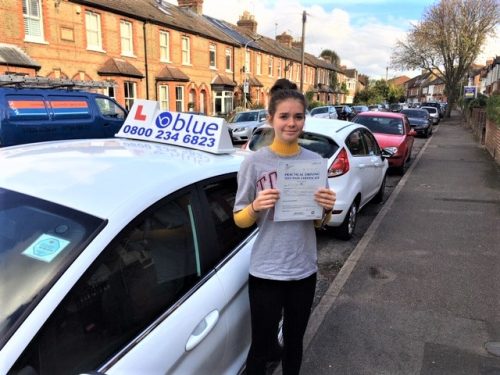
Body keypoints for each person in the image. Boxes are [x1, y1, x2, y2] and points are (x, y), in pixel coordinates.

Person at [233, 79, 336, 375]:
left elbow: (317, 221)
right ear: (271, 119)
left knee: (293, 344)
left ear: (305, 119)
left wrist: (326, 209)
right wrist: (255, 206)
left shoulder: (315, 163)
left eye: (298, 116)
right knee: (262, 347)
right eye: (284, 116)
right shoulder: (254, 162)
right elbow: (239, 219)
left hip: (303, 269)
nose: (292, 123)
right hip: (266, 270)